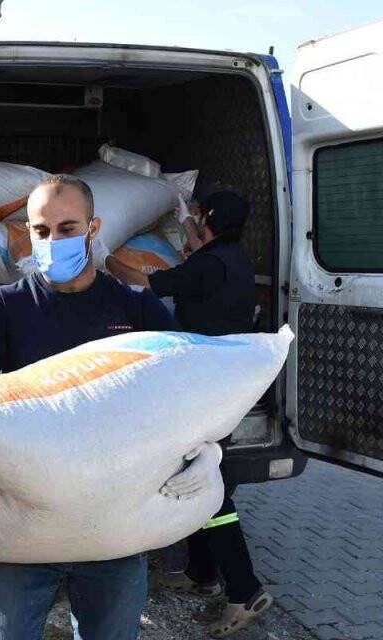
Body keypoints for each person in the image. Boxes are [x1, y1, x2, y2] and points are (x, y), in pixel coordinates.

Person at [0, 174, 220, 640]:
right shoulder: (6, 307)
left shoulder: (133, 309)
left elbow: (188, 386)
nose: (53, 240)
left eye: (67, 228)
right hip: (26, 528)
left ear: (93, 227)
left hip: (112, 532)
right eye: (41, 230)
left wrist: (206, 448)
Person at [104, 188, 273, 638]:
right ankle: (201, 574)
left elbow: (144, 283)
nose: (191, 220)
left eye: (197, 215)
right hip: (223, 384)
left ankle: (245, 589)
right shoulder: (233, 258)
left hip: (203, 391)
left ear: (210, 219)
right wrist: (189, 230)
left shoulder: (208, 265)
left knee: (210, 490)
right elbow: (199, 253)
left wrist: (103, 256)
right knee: (193, 475)